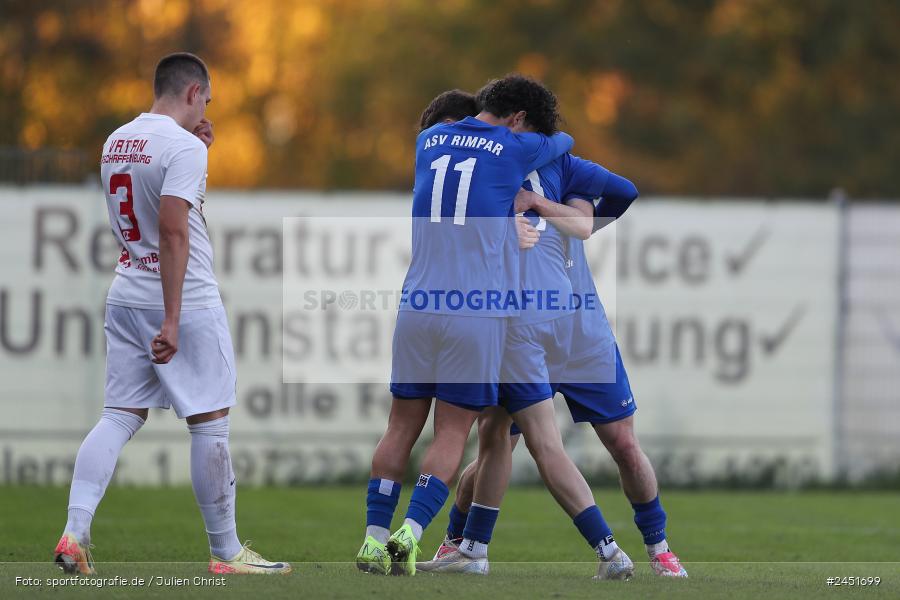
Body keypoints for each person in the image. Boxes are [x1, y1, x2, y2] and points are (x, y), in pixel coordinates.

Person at [53, 52, 290, 576]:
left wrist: (197, 150)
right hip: (181, 298)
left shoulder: (117, 139)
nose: (207, 107)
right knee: (210, 422)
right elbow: (174, 229)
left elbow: (147, 201)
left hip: (126, 288)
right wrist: (173, 318)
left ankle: (75, 533)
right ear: (193, 92)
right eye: (207, 97)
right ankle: (226, 552)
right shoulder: (182, 146)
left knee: (118, 415)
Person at [426, 150, 689, 577]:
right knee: (497, 444)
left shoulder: (565, 169)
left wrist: (539, 204)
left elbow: (603, 211)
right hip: (523, 332)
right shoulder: (485, 174)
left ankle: (658, 548)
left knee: (623, 444)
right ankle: (458, 542)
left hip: (584, 335)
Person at [355, 76, 574, 576]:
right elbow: (563, 142)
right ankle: (411, 534)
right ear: (518, 119)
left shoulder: (428, 140)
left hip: (418, 303)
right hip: (476, 310)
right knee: (452, 432)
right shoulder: (515, 148)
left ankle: (373, 539)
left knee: (398, 427)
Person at [415, 83, 633, 579]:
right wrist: (560, 150)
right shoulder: (539, 154)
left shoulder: (469, 167)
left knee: (500, 439)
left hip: (506, 323)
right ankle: (600, 551)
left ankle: (473, 549)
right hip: (548, 315)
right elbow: (619, 188)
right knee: (515, 439)